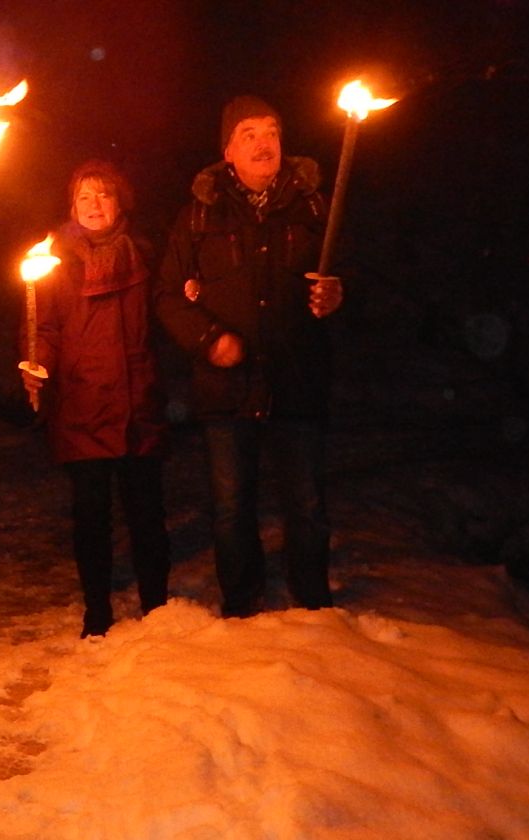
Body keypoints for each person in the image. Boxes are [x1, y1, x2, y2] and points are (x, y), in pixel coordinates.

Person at [154, 95, 345, 618]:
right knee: (231, 506)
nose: (264, 143)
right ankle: (243, 604)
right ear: (228, 151)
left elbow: (354, 278)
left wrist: (338, 295)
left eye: (272, 132)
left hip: (296, 377)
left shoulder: (314, 208)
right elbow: (168, 296)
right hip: (227, 387)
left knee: (306, 504)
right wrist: (208, 339)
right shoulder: (199, 214)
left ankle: (314, 607)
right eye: (249, 134)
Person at [20, 160, 171, 639]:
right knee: (91, 518)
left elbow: (164, 318)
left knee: (146, 512)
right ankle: (97, 610)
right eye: (84, 196)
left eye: (103, 195)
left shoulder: (143, 256)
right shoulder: (56, 260)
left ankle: (156, 605)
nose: (94, 205)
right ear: (72, 206)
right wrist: (36, 364)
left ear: (118, 203)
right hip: (83, 404)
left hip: (136, 402)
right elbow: (43, 327)